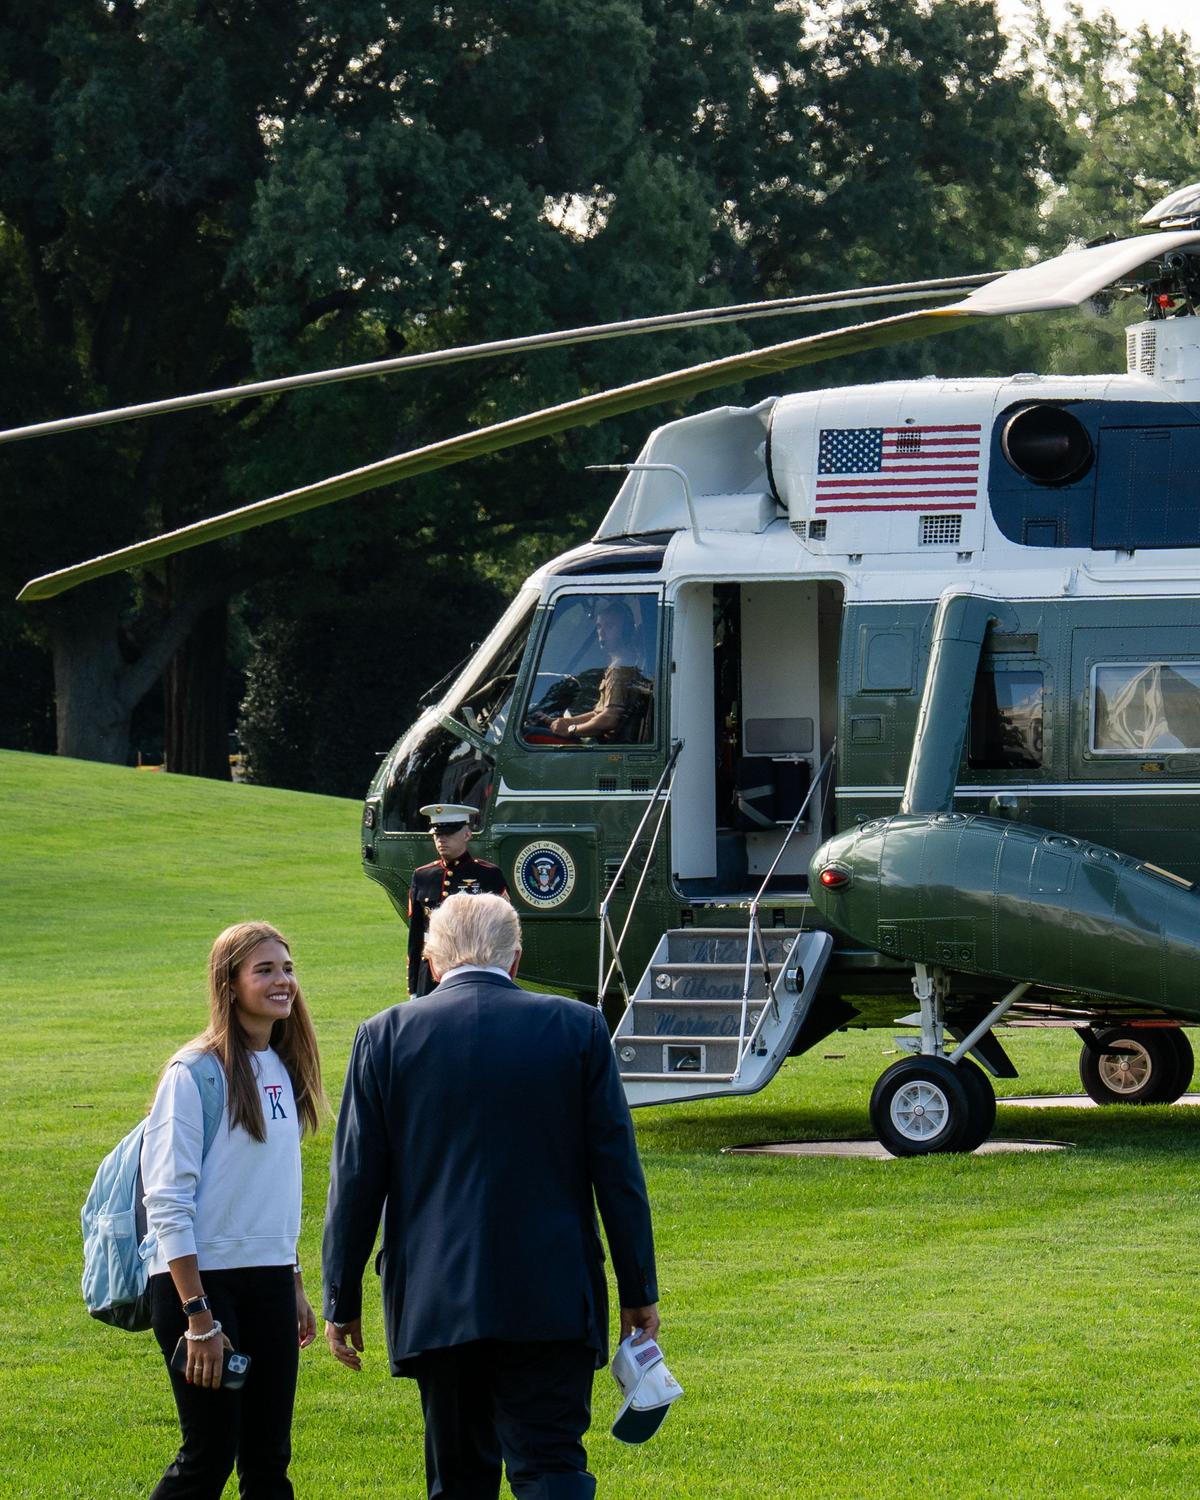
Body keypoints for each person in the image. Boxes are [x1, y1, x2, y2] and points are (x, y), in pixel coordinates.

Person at [322, 892, 659, 1499]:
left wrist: (340, 1297)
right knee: (553, 1464)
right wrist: (639, 1291)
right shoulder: (576, 1027)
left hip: (436, 1293)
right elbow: (618, 1175)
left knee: (458, 1478)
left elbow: (356, 1181)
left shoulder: (385, 1036)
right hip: (551, 1292)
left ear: (430, 960)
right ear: (517, 957)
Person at [140, 921, 326, 1499]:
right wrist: (199, 1317)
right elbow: (166, 1202)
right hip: (200, 1287)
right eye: (264, 970)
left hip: (268, 1281)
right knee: (209, 1456)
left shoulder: (284, 1066)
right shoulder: (193, 1072)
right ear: (229, 982)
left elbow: (269, 1191)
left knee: (269, 1461)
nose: (282, 982)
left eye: (288, 968)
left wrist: (292, 1279)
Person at [407, 801, 509, 997]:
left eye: (449, 833)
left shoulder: (488, 875)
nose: (441, 840)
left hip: (475, 969)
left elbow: (503, 931)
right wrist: (414, 988)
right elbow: (416, 937)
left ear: (467, 834)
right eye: (437, 834)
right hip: (431, 973)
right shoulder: (423, 875)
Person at [546, 599, 652, 743]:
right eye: (599, 626)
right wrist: (566, 722)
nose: (601, 633)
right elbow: (600, 713)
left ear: (626, 630)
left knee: (533, 734)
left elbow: (609, 718)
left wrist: (572, 730)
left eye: (609, 626)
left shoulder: (620, 669)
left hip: (607, 746)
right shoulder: (628, 663)